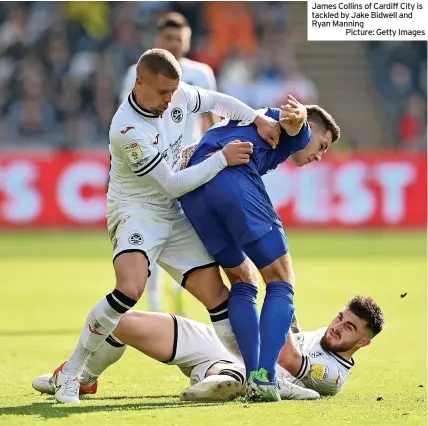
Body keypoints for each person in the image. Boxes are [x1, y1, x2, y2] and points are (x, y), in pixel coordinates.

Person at [52, 47, 281, 404]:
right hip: (136, 211)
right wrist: (222, 158)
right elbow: (172, 183)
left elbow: (215, 102)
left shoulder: (177, 95)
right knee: (130, 289)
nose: (169, 100)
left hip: (173, 213)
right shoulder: (127, 128)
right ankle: (71, 374)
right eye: (162, 92)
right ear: (139, 83)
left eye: (173, 91)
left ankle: (262, 375)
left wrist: (256, 119)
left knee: (219, 296)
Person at [179, 96, 340, 401]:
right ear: (314, 131)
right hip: (230, 179)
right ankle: (266, 379)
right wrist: (302, 117)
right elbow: (295, 124)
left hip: (194, 191)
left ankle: (254, 376)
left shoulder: (250, 118)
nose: (319, 156)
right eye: (322, 146)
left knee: (243, 279)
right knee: (280, 280)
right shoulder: (292, 129)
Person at [32, 296, 384, 400]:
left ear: (363, 343)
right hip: (223, 343)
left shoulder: (334, 375)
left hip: (250, 370)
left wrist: (282, 303)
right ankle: (83, 377)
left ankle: (218, 382)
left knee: (230, 376)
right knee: (122, 321)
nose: (338, 327)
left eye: (349, 327)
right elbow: (284, 331)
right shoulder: (327, 334)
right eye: (340, 317)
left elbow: (288, 356)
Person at [120, 12, 218, 314]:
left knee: (188, 231)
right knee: (152, 232)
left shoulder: (201, 74)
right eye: (168, 39)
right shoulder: (136, 73)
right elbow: (125, 119)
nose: (174, 44)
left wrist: (212, 155)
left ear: (187, 41)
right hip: (153, 167)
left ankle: (177, 289)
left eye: (179, 39)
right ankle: (153, 301)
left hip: (189, 166)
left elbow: (211, 119)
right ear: (158, 40)